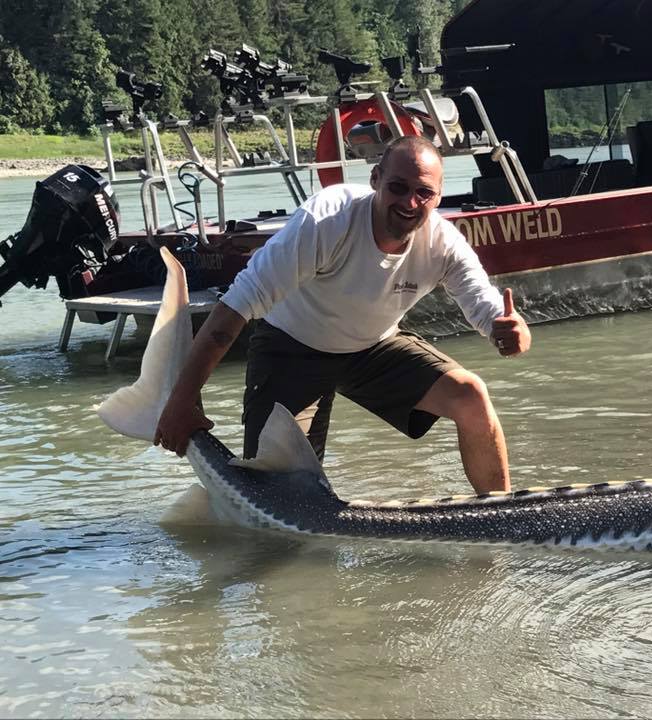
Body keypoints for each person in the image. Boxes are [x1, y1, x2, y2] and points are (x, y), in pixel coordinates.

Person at [153, 135, 531, 493]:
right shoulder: (326, 222)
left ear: (437, 196)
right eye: (398, 187)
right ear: (375, 179)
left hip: (373, 347)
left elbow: (489, 310)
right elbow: (234, 309)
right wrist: (181, 401)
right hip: (292, 347)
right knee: (282, 493)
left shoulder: (444, 244)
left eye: (423, 193)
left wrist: (513, 332)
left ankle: (503, 516)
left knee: (471, 394)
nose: (410, 203)